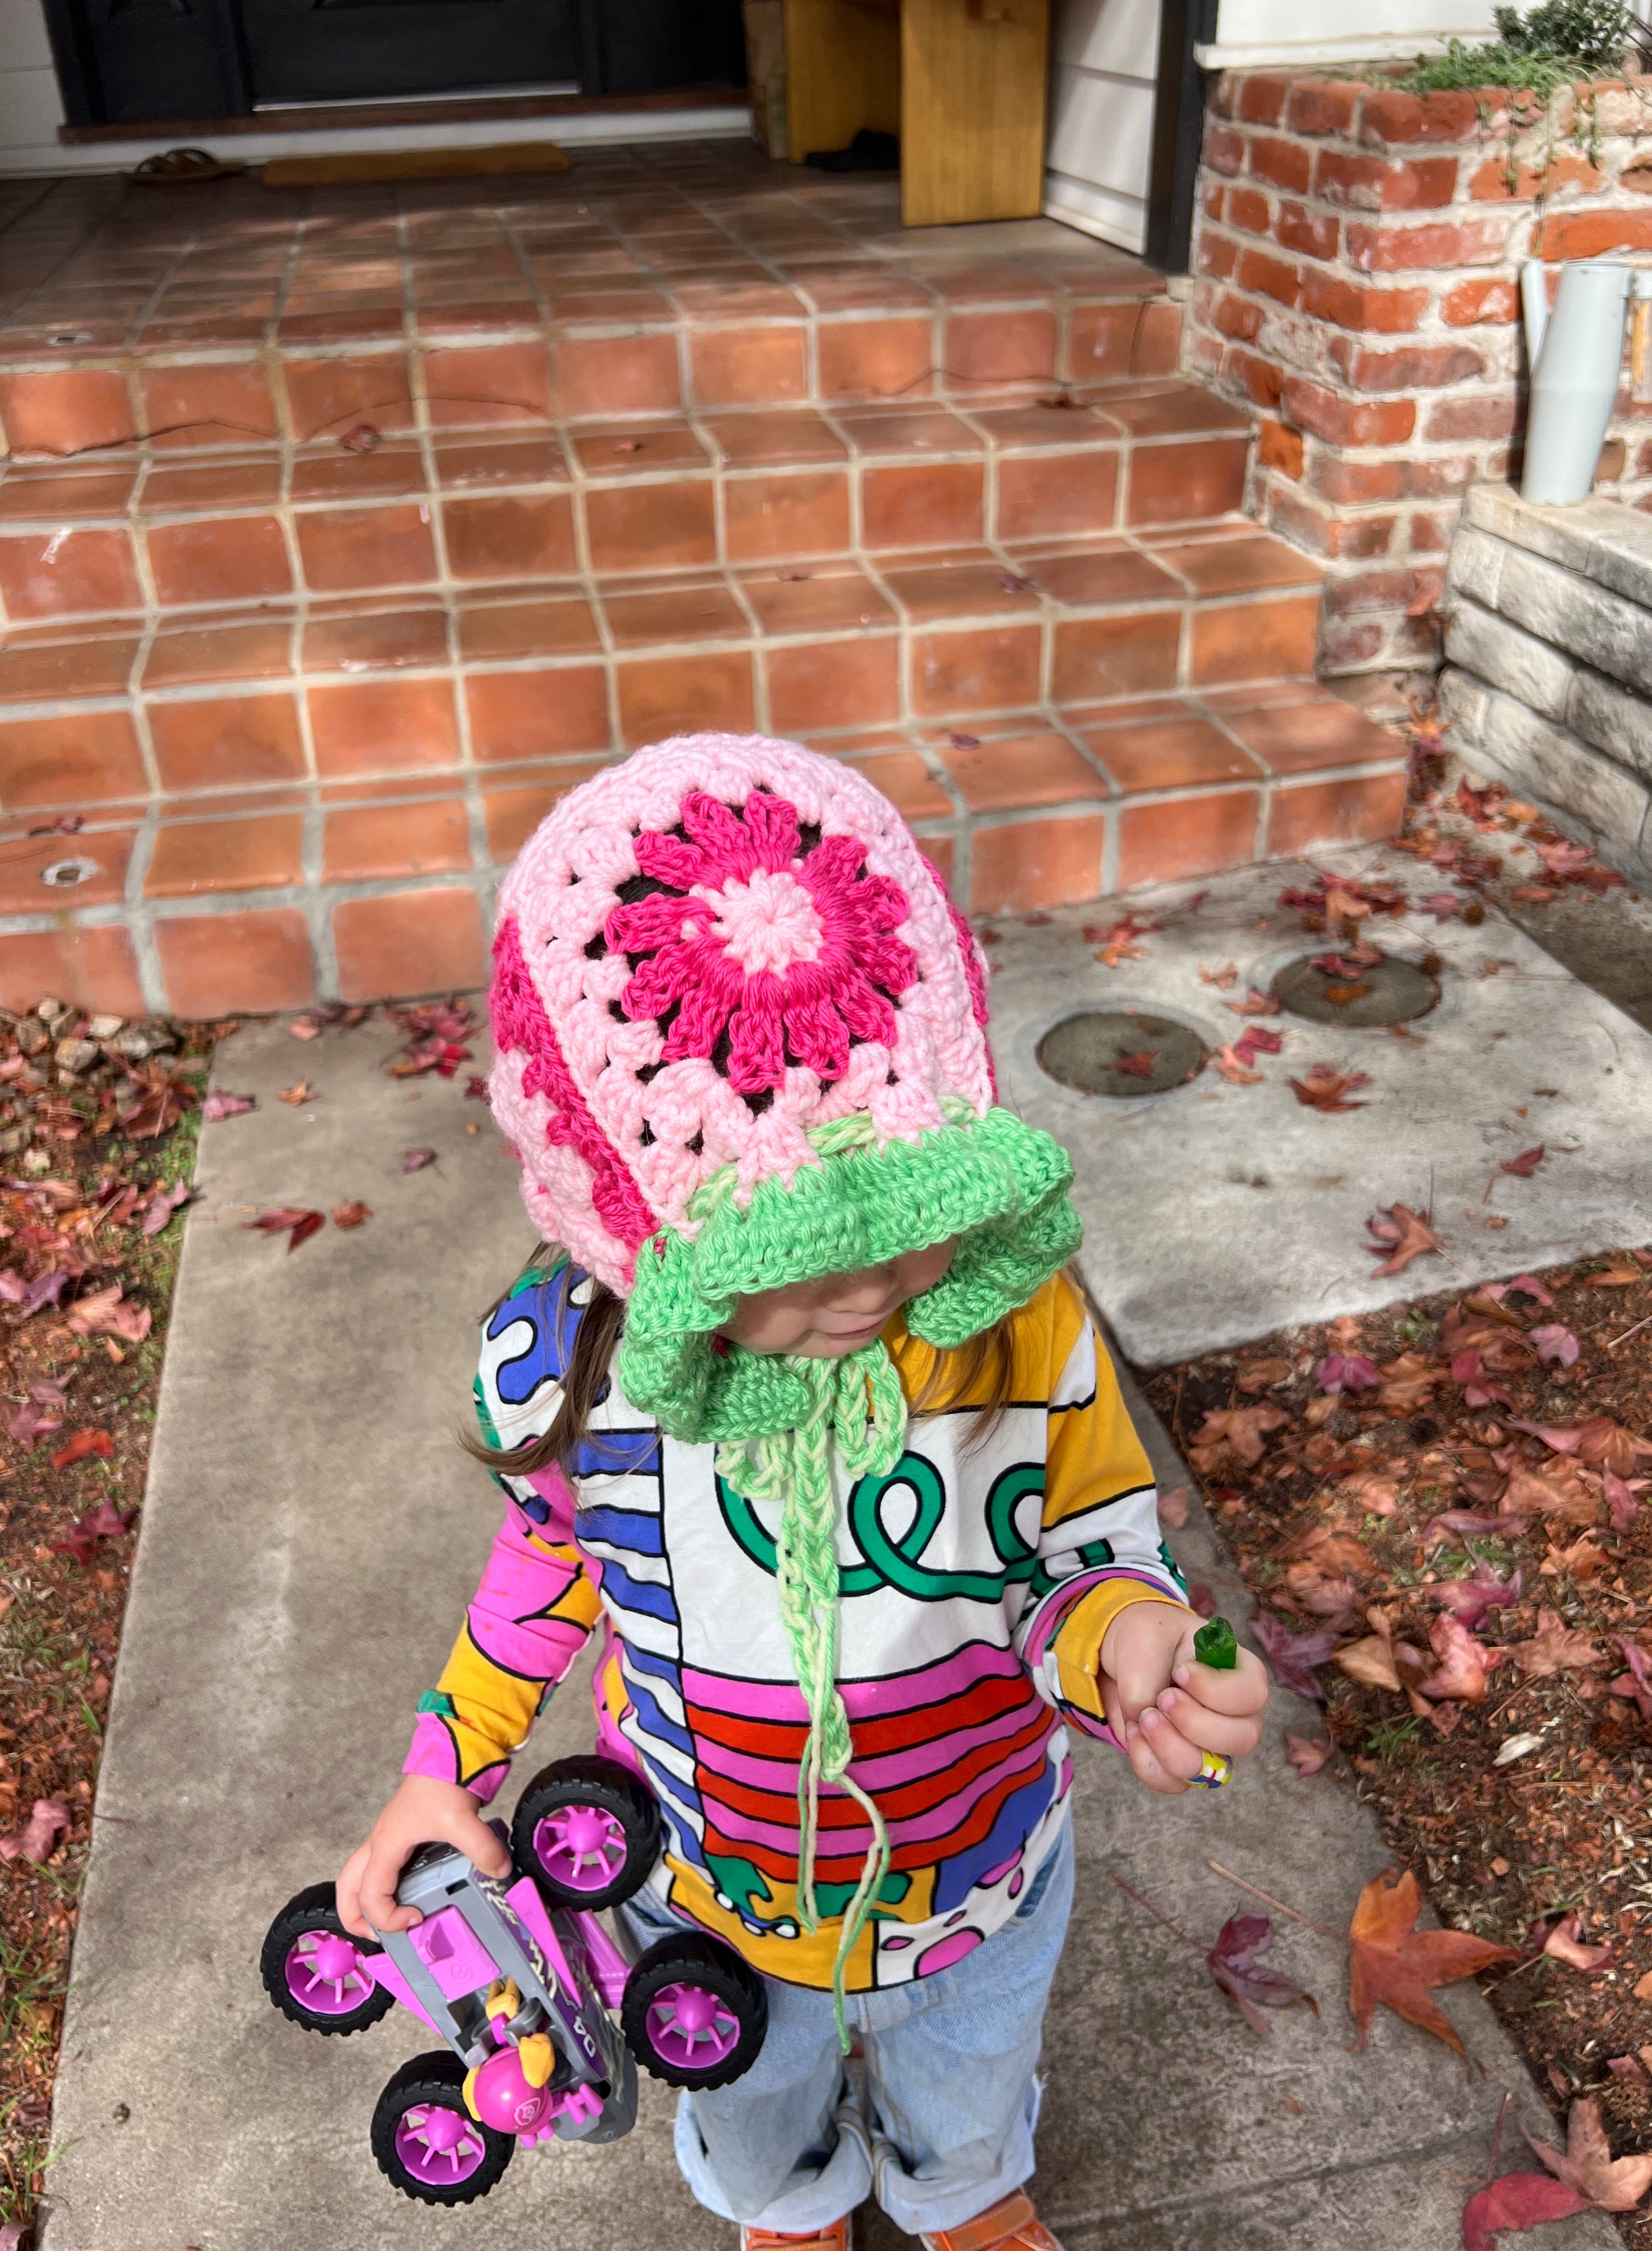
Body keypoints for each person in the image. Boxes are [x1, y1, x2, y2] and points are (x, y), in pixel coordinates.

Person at [336, 734, 1269, 2251]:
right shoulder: (586, 1370)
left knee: (968, 2080)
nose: (868, 1285)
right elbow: (548, 1568)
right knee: (751, 2104)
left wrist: (1131, 1644)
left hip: (977, 1868)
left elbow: (1078, 1545)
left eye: (900, 1210)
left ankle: (966, 2192)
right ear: (619, 1222)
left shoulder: (1004, 1323)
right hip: (703, 1899)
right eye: (780, 1252)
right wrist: (449, 1759)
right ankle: (785, 2209)